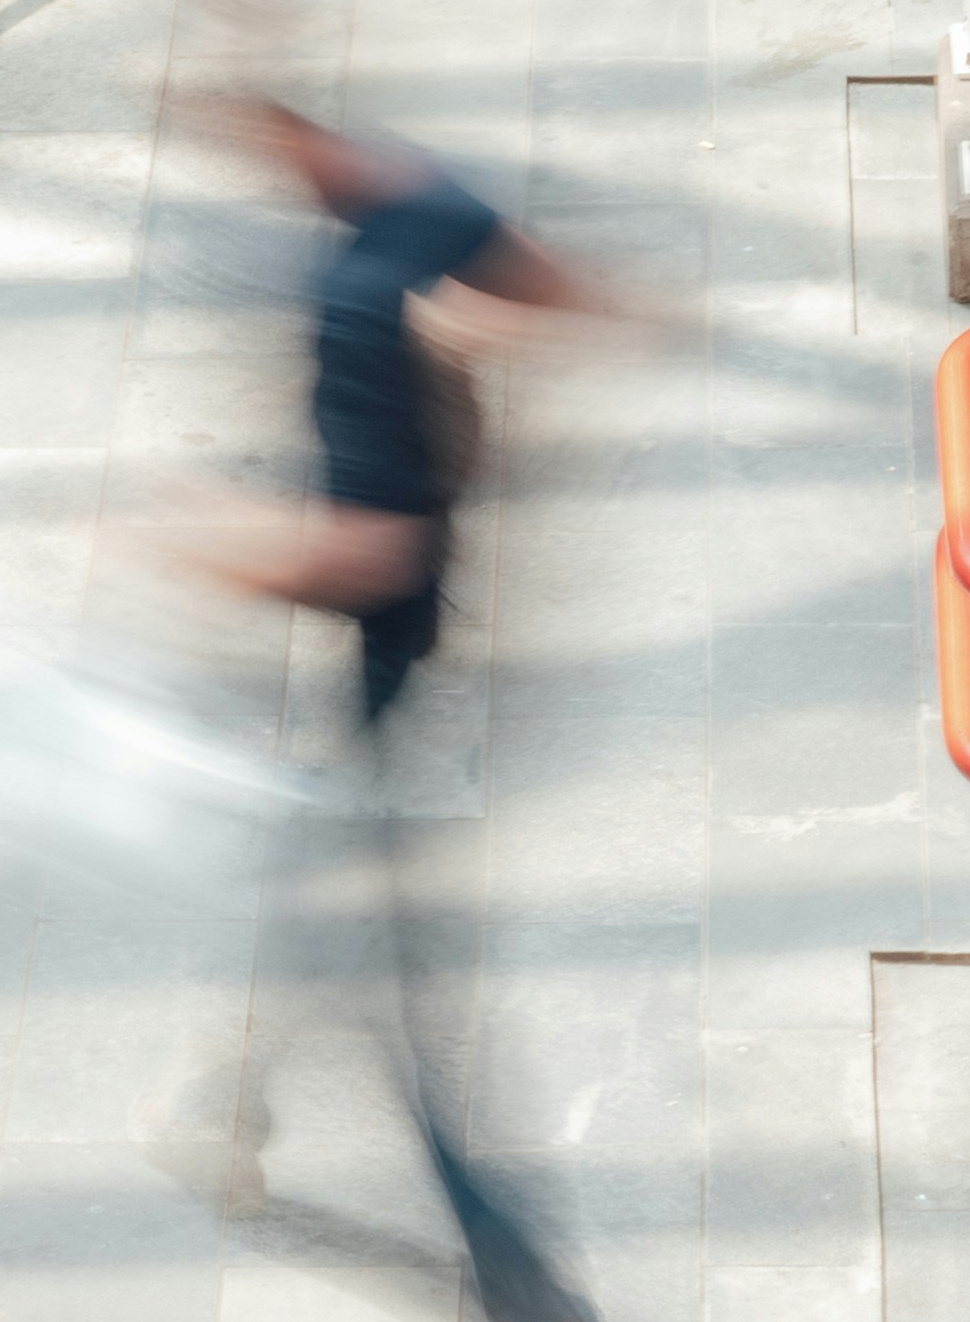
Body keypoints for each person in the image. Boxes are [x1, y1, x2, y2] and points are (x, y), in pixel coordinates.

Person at [180, 92, 610, 1322]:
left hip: (388, 690)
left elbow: (374, 558)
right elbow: (556, 284)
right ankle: (228, 1106)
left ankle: (519, 1288)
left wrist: (198, 545)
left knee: (395, 985)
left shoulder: (361, 305)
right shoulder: (422, 203)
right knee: (360, 948)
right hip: (406, 691)